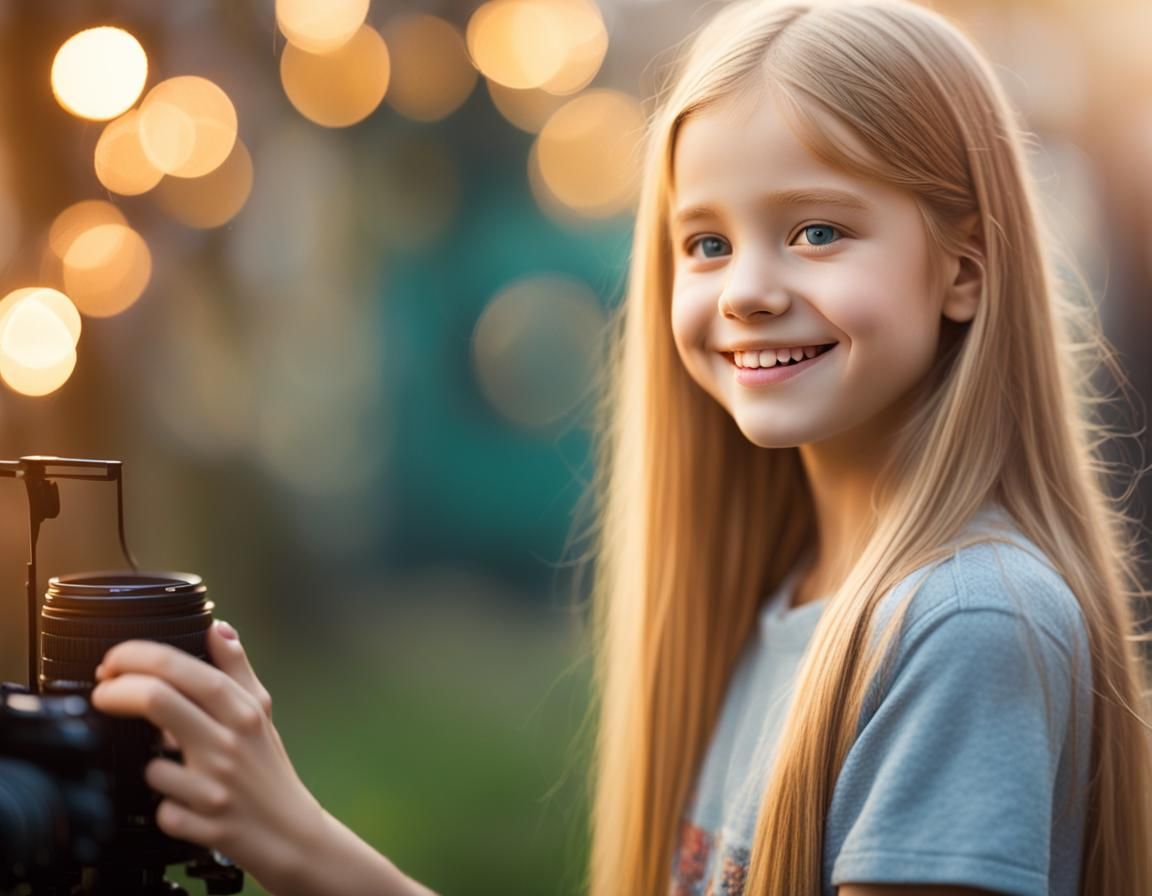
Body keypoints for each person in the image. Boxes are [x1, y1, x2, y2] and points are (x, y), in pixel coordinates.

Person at [91, 0, 1152, 894]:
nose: (748, 288)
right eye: (707, 241)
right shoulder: (785, 598)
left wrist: (300, 841)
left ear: (965, 268)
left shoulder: (966, 625)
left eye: (819, 229)